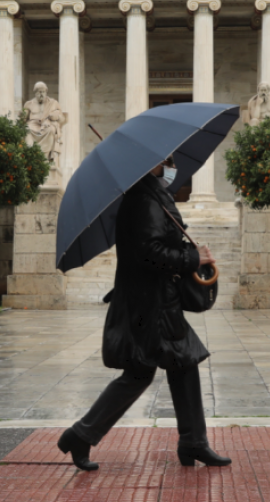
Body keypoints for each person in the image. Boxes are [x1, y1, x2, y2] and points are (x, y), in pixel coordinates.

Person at [57, 158, 232, 471]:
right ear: (152, 164)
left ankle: (192, 441)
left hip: (155, 302)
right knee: (145, 371)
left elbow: (153, 247)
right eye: (167, 161)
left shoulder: (149, 197)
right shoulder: (144, 201)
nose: (172, 165)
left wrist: (189, 253)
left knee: (181, 364)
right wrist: (193, 257)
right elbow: (149, 253)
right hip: (150, 306)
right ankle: (82, 434)